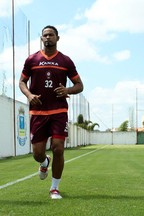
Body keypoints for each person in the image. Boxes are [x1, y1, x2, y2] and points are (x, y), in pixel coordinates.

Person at [19, 25, 84, 199]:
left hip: (59, 111)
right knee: (37, 153)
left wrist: (67, 91)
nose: (48, 37)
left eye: (51, 35)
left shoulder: (65, 61)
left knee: (58, 149)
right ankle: (44, 162)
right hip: (38, 113)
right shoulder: (32, 60)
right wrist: (29, 95)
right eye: (45, 35)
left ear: (57, 38)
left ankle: (54, 188)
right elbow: (22, 82)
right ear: (42, 38)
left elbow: (79, 85)